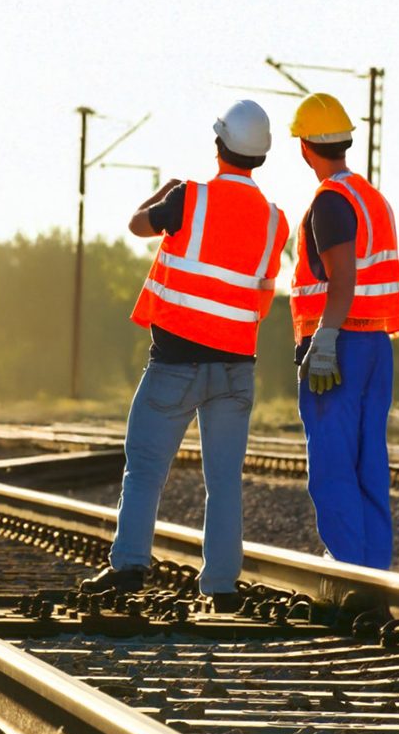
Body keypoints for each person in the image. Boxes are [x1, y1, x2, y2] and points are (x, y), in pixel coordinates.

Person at [80, 99, 289, 611]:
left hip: (175, 364)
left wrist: (164, 190)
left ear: (218, 145)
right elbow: (262, 292)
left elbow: (136, 226)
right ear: (260, 157)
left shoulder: (187, 199)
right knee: (224, 480)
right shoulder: (274, 222)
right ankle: (220, 586)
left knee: (146, 467)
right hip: (236, 368)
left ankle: (129, 565)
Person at [287, 92, 399, 569]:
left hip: (339, 349)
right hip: (375, 345)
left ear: (304, 147)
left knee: (334, 469)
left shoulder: (331, 203)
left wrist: (324, 342)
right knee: (368, 467)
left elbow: (342, 281)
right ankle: (372, 575)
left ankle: (349, 577)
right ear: (346, 142)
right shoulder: (370, 197)